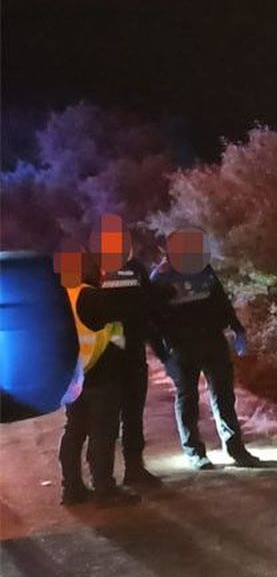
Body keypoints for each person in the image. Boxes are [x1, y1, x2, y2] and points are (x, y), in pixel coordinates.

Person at [152, 228, 260, 469]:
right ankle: (194, 452)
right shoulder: (159, 279)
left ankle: (236, 449)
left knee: (223, 395)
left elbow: (220, 300)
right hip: (182, 347)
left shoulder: (202, 269)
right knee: (188, 398)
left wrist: (237, 329)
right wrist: (164, 356)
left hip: (212, 341)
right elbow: (153, 322)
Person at [55, 244, 139, 507]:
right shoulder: (90, 296)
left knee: (74, 432)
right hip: (100, 377)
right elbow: (120, 323)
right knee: (102, 433)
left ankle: (72, 489)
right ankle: (104, 488)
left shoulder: (59, 298)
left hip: (72, 377)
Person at [96, 215, 171, 486]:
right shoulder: (95, 272)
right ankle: (104, 481)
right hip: (107, 357)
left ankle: (134, 469)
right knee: (106, 421)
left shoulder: (136, 269)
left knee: (133, 415)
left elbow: (148, 308)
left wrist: (161, 350)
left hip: (133, 354)